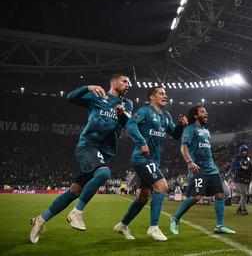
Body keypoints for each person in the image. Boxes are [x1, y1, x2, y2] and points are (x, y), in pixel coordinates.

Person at [29, 73, 132, 243]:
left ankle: (40, 220)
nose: (128, 84)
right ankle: (76, 213)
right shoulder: (97, 96)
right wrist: (87, 87)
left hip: (106, 151)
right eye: (125, 81)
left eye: (129, 82)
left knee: (75, 190)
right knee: (104, 173)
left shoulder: (127, 103)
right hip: (88, 145)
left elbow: (127, 124)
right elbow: (70, 97)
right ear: (113, 82)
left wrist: (122, 114)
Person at [114, 85, 187, 241]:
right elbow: (130, 124)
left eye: (165, 94)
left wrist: (181, 125)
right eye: (161, 93)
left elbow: (175, 135)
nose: (165, 96)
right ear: (152, 97)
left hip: (153, 161)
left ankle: (122, 225)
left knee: (144, 196)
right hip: (141, 158)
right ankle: (153, 227)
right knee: (163, 186)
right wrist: (141, 142)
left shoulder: (166, 116)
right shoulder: (145, 111)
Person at [168, 106, 236, 236]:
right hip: (198, 169)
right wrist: (189, 162)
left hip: (212, 168)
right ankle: (175, 218)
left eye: (206, 111)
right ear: (195, 116)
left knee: (220, 195)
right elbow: (183, 148)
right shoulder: (190, 129)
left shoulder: (206, 131)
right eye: (203, 111)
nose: (206, 113)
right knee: (196, 197)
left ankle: (219, 226)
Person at [231, 144, 252, 215]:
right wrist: (241, 167)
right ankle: (243, 209)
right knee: (244, 193)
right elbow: (233, 167)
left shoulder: (248, 159)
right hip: (238, 178)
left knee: (244, 195)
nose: (244, 152)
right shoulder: (236, 159)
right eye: (243, 151)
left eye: (245, 151)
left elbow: (250, 168)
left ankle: (239, 209)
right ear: (240, 151)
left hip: (246, 179)